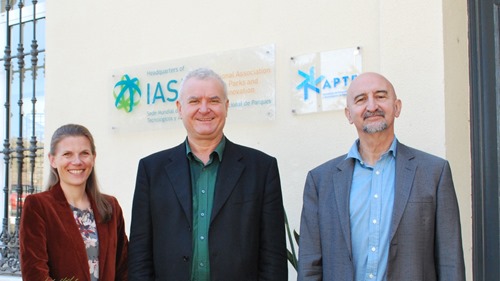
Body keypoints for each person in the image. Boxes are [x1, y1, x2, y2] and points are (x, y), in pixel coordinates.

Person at [297, 72, 465, 280]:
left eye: (381, 96)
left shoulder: (434, 173)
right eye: (361, 99)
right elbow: (309, 266)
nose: (372, 106)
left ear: (397, 107)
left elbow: (450, 262)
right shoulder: (320, 181)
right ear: (349, 115)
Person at [128, 67, 288, 280]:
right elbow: (139, 253)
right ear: (179, 108)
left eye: (213, 100)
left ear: (226, 106)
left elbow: (273, 256)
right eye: (194, 101)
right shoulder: (151, 170)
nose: (204, 109)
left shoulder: (261, 168)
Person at [20, 124, 128, 281]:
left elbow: (123, 268)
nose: (77, 161)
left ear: (93, 157)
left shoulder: (110, 206)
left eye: (84, 153)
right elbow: (34, 273)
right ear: (52, 160)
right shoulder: (38, 206)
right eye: (67, 154)